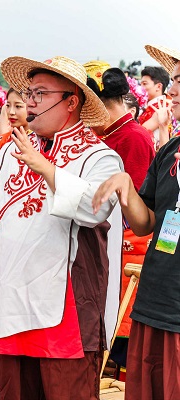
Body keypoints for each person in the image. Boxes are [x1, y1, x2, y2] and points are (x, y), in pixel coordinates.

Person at [0, 55, 123, 400]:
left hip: (64, 309)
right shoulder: (15, 150)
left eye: (40, 94)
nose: (30, 102)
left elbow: (93, 208)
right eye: (29, 93)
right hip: (10, 302)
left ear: (71, 102)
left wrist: (45, 168)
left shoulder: (99, 156)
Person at [93, 44, 180, 400]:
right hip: (158, 294)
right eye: (173, 81)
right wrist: (126, 187)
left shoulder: (147, 139)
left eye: (179, 81)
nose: (172, 90)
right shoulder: (170, 150)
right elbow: (147, 223)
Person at [89, 67, 156, 371]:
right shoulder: (110, 134)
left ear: (101, 104)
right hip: (109, 240)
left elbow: (138, 203)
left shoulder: (134, 137)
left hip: (128, 244)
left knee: (123, 329)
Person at [139, 66, 172, 147]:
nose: (140, 88)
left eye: (144, 84)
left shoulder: (162, 108)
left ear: (158, 86)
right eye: (140, 84)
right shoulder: (149, 105)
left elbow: (140, 132)